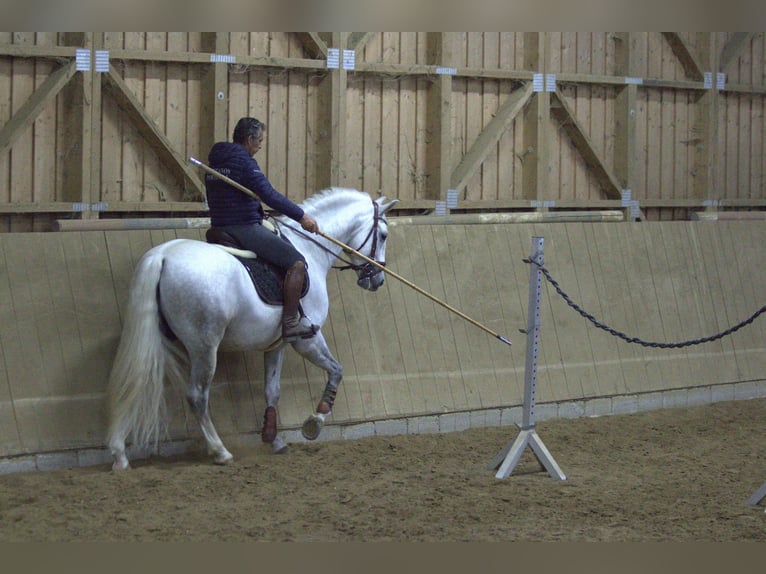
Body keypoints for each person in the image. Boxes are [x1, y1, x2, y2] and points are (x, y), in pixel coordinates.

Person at [205, 117, 320, 342]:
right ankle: (290, 324)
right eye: (259, 141)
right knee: (296, 262)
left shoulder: (216, 161)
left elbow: (230, 196)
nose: (259, 146)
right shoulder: (245, 162)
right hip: (243, 228)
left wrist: (256, 211)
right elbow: (269, 194)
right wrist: (301, 216)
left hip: (220, 224)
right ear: (249, 139)